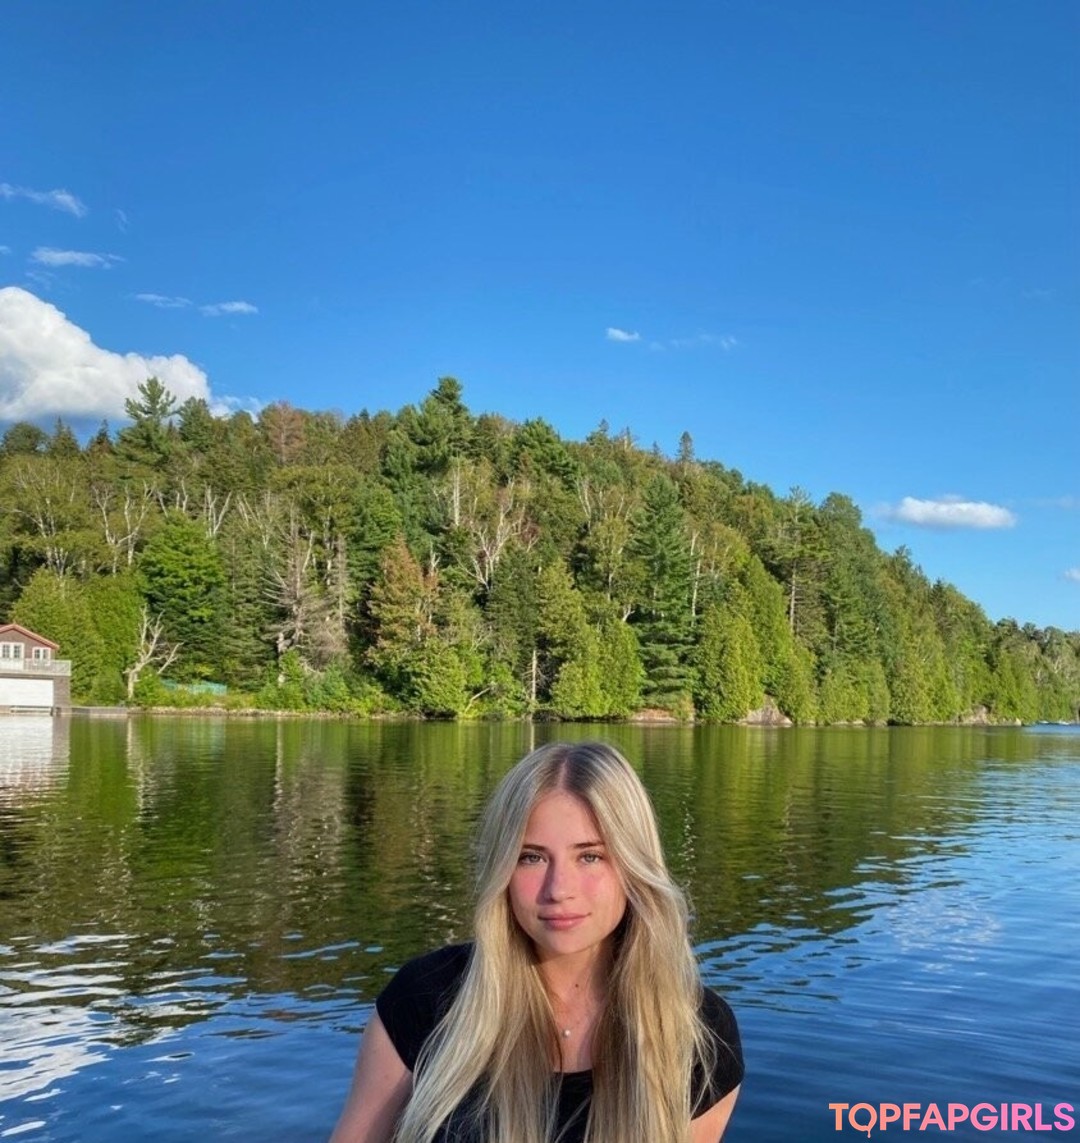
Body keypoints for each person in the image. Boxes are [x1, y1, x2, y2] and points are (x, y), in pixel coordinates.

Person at [329, 740, 743, 1143]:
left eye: (590, 856)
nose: (559, 889)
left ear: (634, 867)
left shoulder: (698, 1034)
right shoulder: (424, 998)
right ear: (503, 869)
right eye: (532, 857)